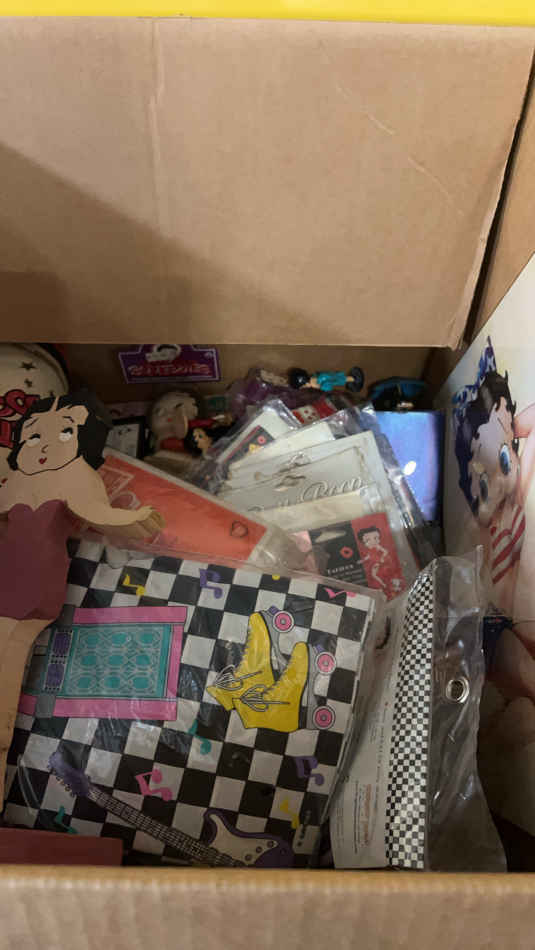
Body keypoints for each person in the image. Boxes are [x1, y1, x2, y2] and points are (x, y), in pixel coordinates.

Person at [0, 391, 162, 804]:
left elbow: (97, 512)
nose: (45, 446)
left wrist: (135, 518)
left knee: (6, 670)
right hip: (9, 579)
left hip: (31, 587)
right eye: (33, 436)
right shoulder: (16, 480)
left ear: (83, 441)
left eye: (64, 433)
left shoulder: (74, 476)